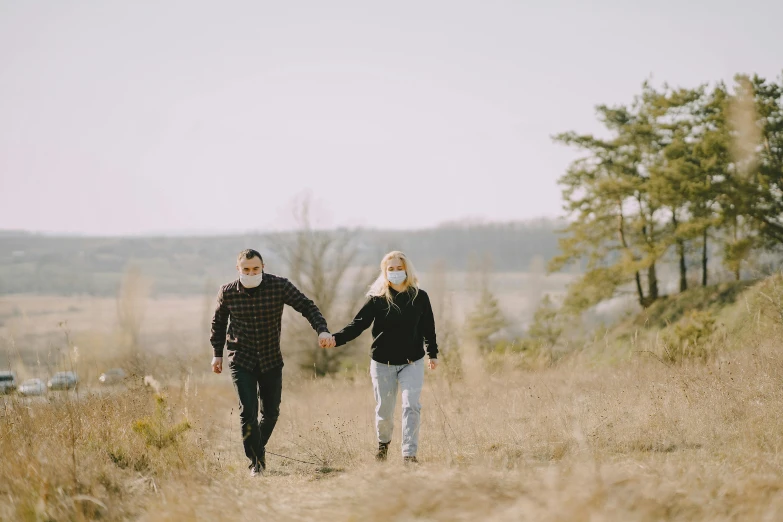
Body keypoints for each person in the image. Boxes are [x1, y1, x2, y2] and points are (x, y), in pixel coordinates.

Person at [210, 249, 333, 477]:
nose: (251, 272)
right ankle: (256, 463)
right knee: (248, 411)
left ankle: (258, 449)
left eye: (255, 268)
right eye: (246, 269)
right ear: (238, 269)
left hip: (270, 358)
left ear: (263, 267)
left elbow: (306, 306)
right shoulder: (227, 292)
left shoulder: (279, 286)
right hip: (241, 358)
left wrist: (322, 330)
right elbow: (218, 324)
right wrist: (217, 354)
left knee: (271, 413)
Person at [328, 251, 438, 463]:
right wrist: (335, 339)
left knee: (411, 405)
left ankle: (409, 455)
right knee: (384, 412)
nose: (396, 272)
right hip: (382, 363)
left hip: (411, 362)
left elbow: (428, 328)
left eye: (399, 268)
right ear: (385, 272)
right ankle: (383, 444)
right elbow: (357, 325)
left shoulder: (420, 296)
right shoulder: (377, 300)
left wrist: (432, 353)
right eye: (391, 269)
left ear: (407, 270)